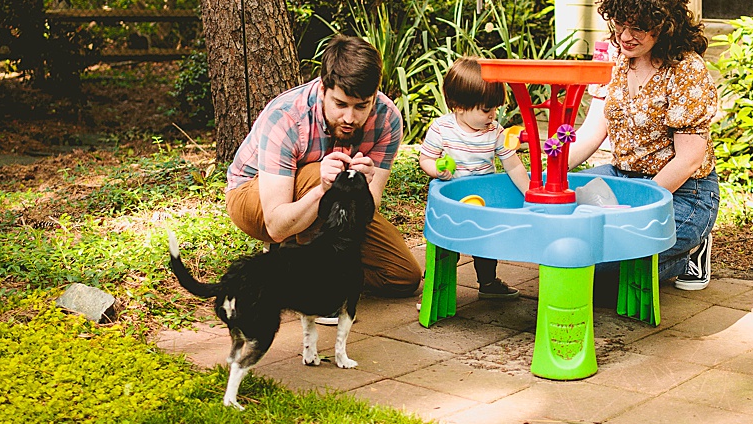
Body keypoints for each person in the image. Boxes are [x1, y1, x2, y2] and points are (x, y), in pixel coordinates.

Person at [225, 35, 423, 306]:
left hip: (326, 200)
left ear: (374, 96)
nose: (350, 118)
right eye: (340, 104)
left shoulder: (387, 119)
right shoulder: (286, 117)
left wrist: (363, 190)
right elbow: (276, 226)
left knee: (402, 276)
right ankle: (314, 285)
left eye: (361, 106)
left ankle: (296, 273)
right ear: (322, 90)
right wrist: (323, 189)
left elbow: (370, 208)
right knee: (320, 171)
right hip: (254, 197)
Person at [569, 0, 721, 290]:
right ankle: (649, 250)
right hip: (623, 179)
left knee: (605, 270)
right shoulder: (618, 58)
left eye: (638, 27)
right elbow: (592, 133)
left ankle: (691, 252)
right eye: (620, 23)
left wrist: (638, 204)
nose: (625, 35)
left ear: (664, 26)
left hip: (683, 194)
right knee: (565, 236)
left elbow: (689, 159)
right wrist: (548, 171)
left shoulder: (685, 68)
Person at [417, 57, 530, 299]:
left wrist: (530, 193)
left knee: (485, 246)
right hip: (452, 201)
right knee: (446, 247)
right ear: (459, 106)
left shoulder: (495, 132)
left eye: (495, 108)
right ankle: (435, 288)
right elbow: (425, 159)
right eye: (486, 109)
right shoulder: (441, 129)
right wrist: (436, 170)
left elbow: (513, 165)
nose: (493, 115)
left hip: (482, 201)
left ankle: (488, 283)